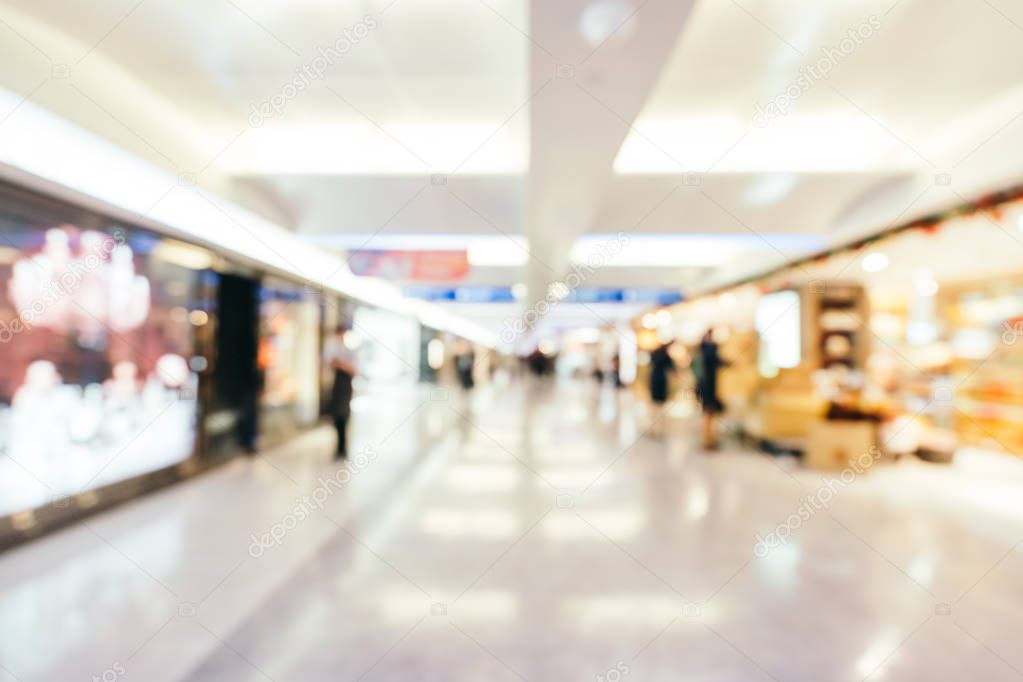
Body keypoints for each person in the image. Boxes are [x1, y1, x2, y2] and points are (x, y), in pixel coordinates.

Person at [323, 325, 358, 459]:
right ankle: (339, 447)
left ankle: (343, 447)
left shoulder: (349, 350)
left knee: (344, 415)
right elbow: (331, 362)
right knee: (337, 416)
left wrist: (341, 363)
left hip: (345, 386)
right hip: (337, 385)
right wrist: (343, 364)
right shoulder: (332, 347)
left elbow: (353, 369)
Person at [694, 330, 728, 449]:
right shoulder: (709, 351)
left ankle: (708, 439)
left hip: (707, 386)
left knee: (709, 414)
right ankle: (707, 440)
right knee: (709, 414)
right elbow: (717, 360)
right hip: (708, 387)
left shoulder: (704, 351)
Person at [647, 341, 676, 436]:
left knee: (655, 405)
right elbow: (671, 369)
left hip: (655, 379)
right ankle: (658, 428)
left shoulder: (654, 353)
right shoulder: (665, 355)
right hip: (660, 381)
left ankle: (655, 428)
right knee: (659, 406)